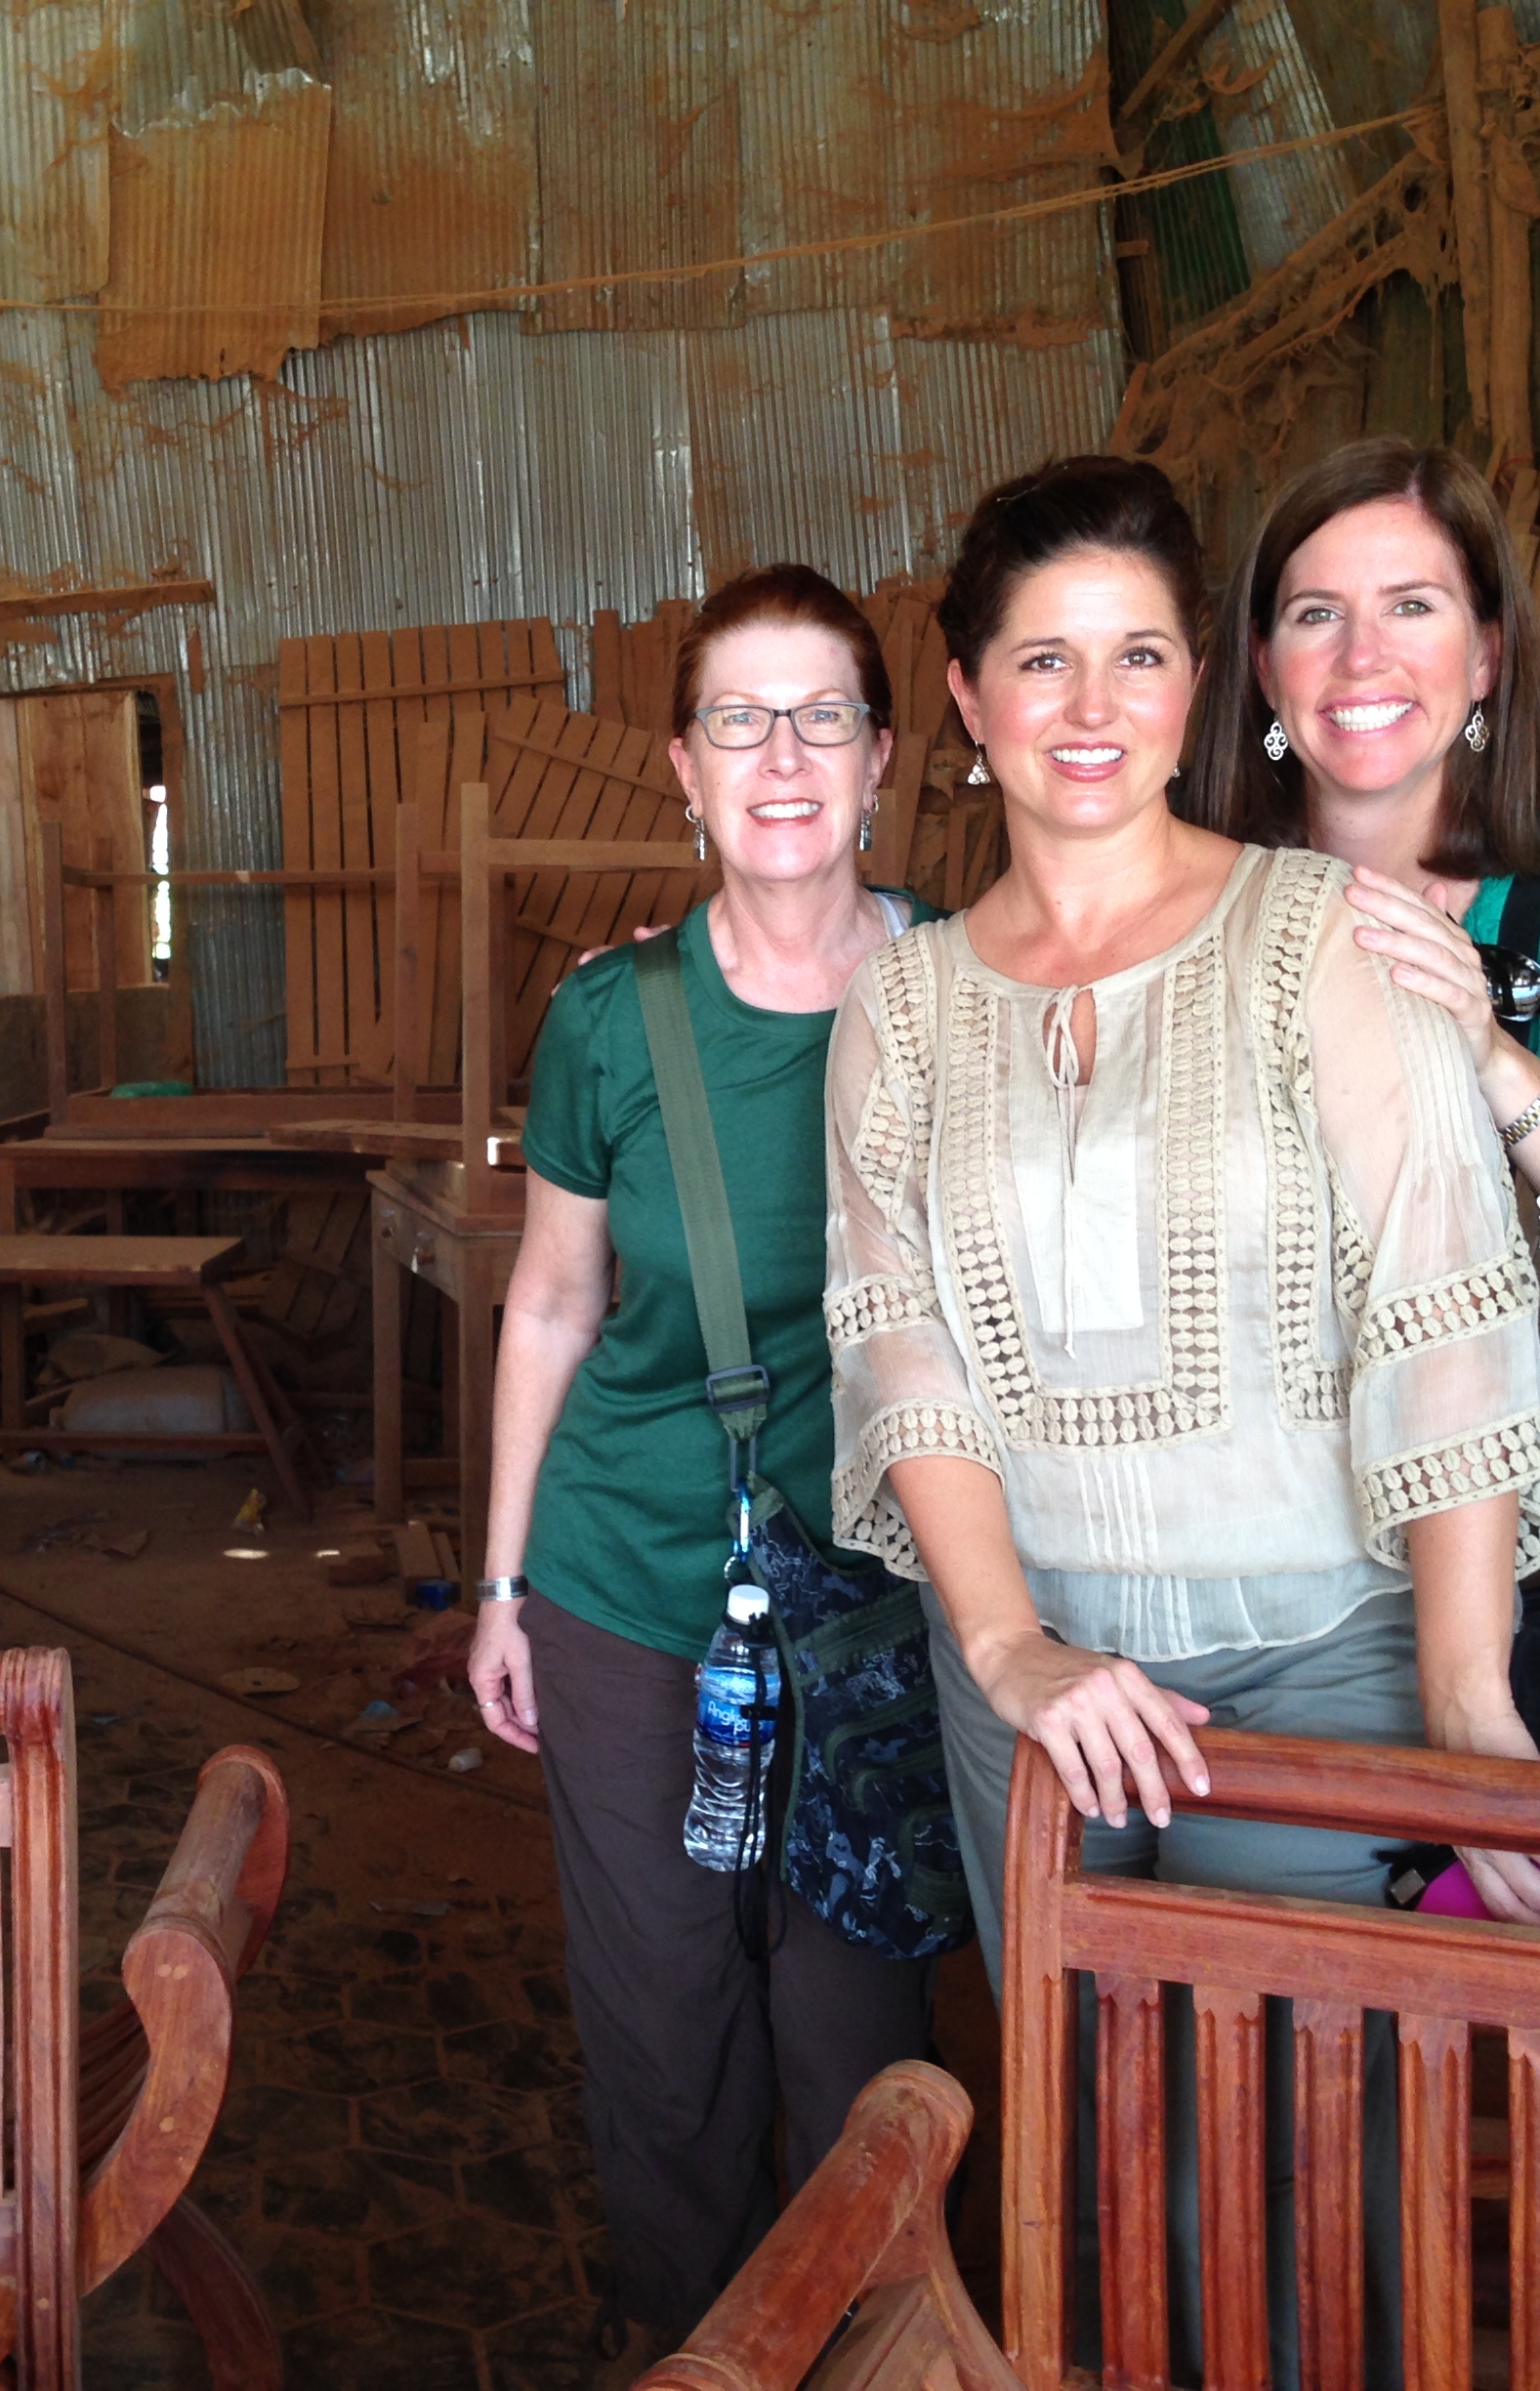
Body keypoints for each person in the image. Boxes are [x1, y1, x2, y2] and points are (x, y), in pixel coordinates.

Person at [822, 455, 1540, 2373]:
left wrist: (1468, 1701)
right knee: (1089, 2169)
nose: (1090, 707)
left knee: (1310, 2181)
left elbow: (1444, 1309)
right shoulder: (900, 1008)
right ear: (968, 698)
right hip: (1029, 1688)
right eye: (1041, 660)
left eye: (1138, 655)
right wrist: (1010, 1645)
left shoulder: (1322, 934)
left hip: (1318, 1664)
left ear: (1204, 685)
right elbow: (901, 1343)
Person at [464, 564, 934, 2360]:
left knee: (855, 2034)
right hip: (630, 1588)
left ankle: (858, 2352)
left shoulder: (964, 990)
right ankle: (695, 2352)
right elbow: (547, 1304)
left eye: (822, 715)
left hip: (884, 1607)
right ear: (682, 765)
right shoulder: (609, 1020)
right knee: (664, 2025)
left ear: (881, 756)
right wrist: (501, 1582)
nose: (781, 756)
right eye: (738, 718)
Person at [1188, 435, 1540, 1358]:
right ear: (1264, 667)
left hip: (1444, 1431)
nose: (1361, 656)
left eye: (1412, 606)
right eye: (1316, 614)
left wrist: (1495, 1060)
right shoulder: (1190, 892)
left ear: (1486, 657)